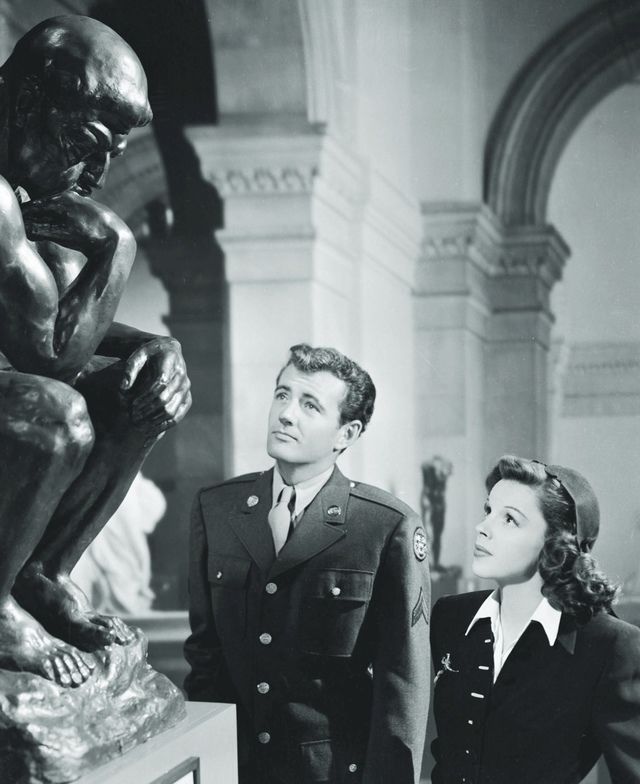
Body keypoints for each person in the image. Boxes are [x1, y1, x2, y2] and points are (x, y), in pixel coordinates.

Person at [0, 16, 191, 688]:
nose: (98, 173)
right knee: (54, 417)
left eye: (113, 153)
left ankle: (41, 574)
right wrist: (116, 248)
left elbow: (51, 315)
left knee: (140, 394)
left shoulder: (26, 194)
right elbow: (50, 355)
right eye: (87, 144)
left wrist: (156, 346)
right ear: (28, 101)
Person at [184, 344, 430, 784]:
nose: (286, 414)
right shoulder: (217, 509)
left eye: (309, 405)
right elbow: (205, 660)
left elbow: (402, 686)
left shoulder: (383, 527)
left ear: (346, 434)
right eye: (282, 395)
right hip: (233, 769)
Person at [430, 455, 640, 784]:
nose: (482, 528)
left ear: (556, 542)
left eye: (509, 519)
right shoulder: (451, 617)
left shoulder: (608, 644)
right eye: (488, 511)